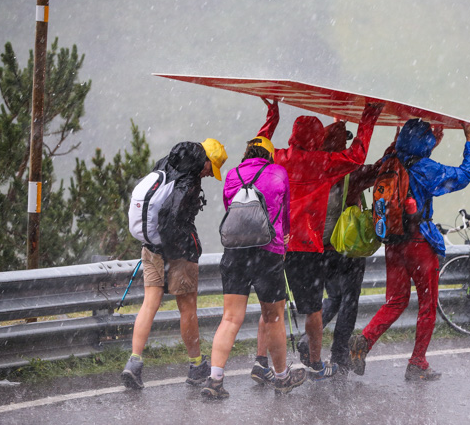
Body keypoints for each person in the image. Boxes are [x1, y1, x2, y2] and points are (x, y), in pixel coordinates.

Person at [253, 99, 382, 379]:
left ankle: (261, 362)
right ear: (317, 139)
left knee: (272, 307)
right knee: (313, 309)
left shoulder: (280, 157)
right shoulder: (322, 163)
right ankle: (314, 363)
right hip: (306, 245)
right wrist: (368, 117)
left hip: (276, 242)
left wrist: (272, 116)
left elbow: (257, 148)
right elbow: (358, 156)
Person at [349, 117, 470, 381]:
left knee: (396, 300)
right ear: (425, 143)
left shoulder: (388, 162)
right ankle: (417, 362)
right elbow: (463, 176)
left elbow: (409, 160)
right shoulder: (425, 168)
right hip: (420, 242)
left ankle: (364, 341)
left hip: (394, 240)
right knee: (427, 305)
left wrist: (429, 144)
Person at [201, 136, 307, 398]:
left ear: (247, 152)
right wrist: (283, 243)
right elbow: (284, 214)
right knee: (273, 318)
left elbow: (232, 211)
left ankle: (214, 380)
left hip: (235, 253)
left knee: (230, 318)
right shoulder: (278, 172)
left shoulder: (232, 174)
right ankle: (282, 377)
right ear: (269, 155)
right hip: (267, 253)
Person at [121, 138, 228, 389]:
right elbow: (176, 220)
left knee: (150, 303)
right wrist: (190, 246)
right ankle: (196, 366)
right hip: (178, 251)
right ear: (205, 162)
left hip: (151, 245)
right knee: (188, 308)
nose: (210, 175)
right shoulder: (190, 180)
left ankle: (134, 362)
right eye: (211, 169)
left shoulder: (165, 163)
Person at [296, 121, 386, 372]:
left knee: (332, 297)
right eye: (345, 142)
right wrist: (392, 149)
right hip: (346, 246)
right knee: (349, 299)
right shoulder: (349, 170)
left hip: (319, 246)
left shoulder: (313, 167)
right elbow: (377, 171)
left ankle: (307, 339)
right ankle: (339, 354)